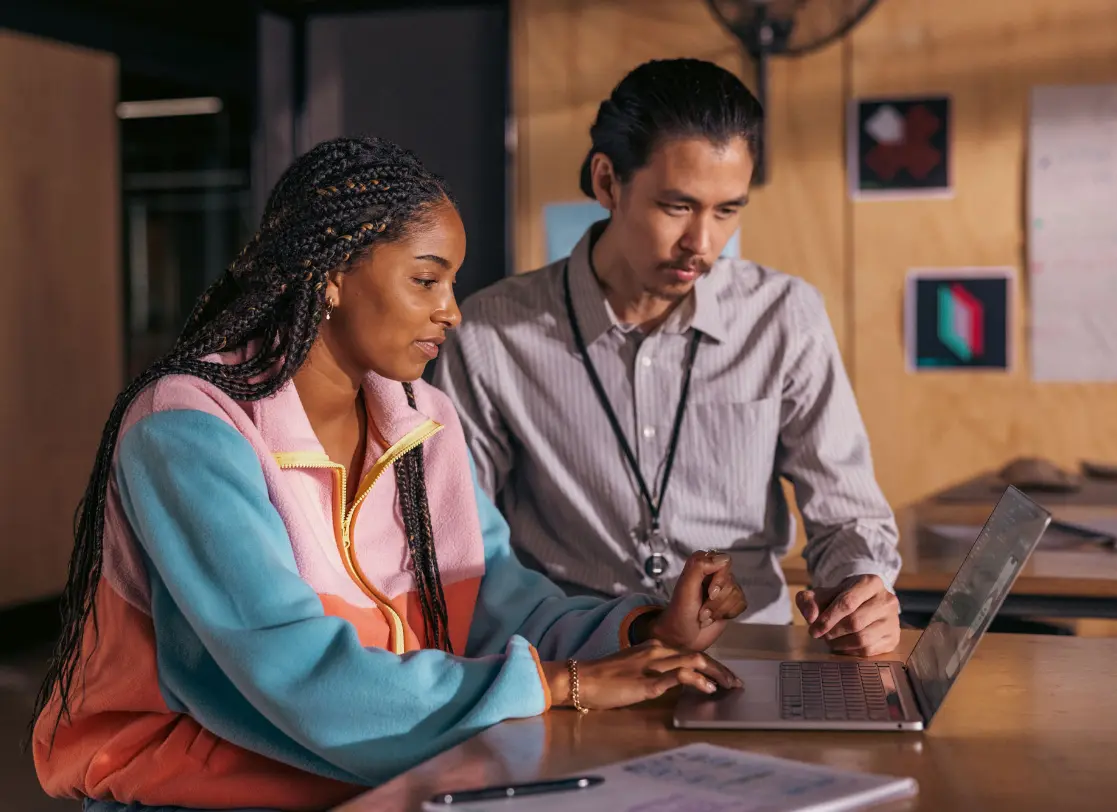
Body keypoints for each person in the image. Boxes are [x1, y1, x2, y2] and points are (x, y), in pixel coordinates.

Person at [29, 136, 749, 812]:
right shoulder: (188, 427)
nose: (452, 313)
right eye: (426, 281)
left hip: (381, 774)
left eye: (451, 285)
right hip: (186, 791)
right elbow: (294, 669)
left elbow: (500, 600)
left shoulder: (421, 417)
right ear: (333, 276)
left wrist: (643, 632)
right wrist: (562, 685)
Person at [433, 58, 903, 658]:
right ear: (607, 182)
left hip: (747, 657)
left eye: (727, 211)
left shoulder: (785, 316)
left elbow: (847, 516)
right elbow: (458, 544)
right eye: (677, 207)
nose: (701, 244)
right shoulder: (493, 333)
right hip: (577, 665)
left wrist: (862, 587)